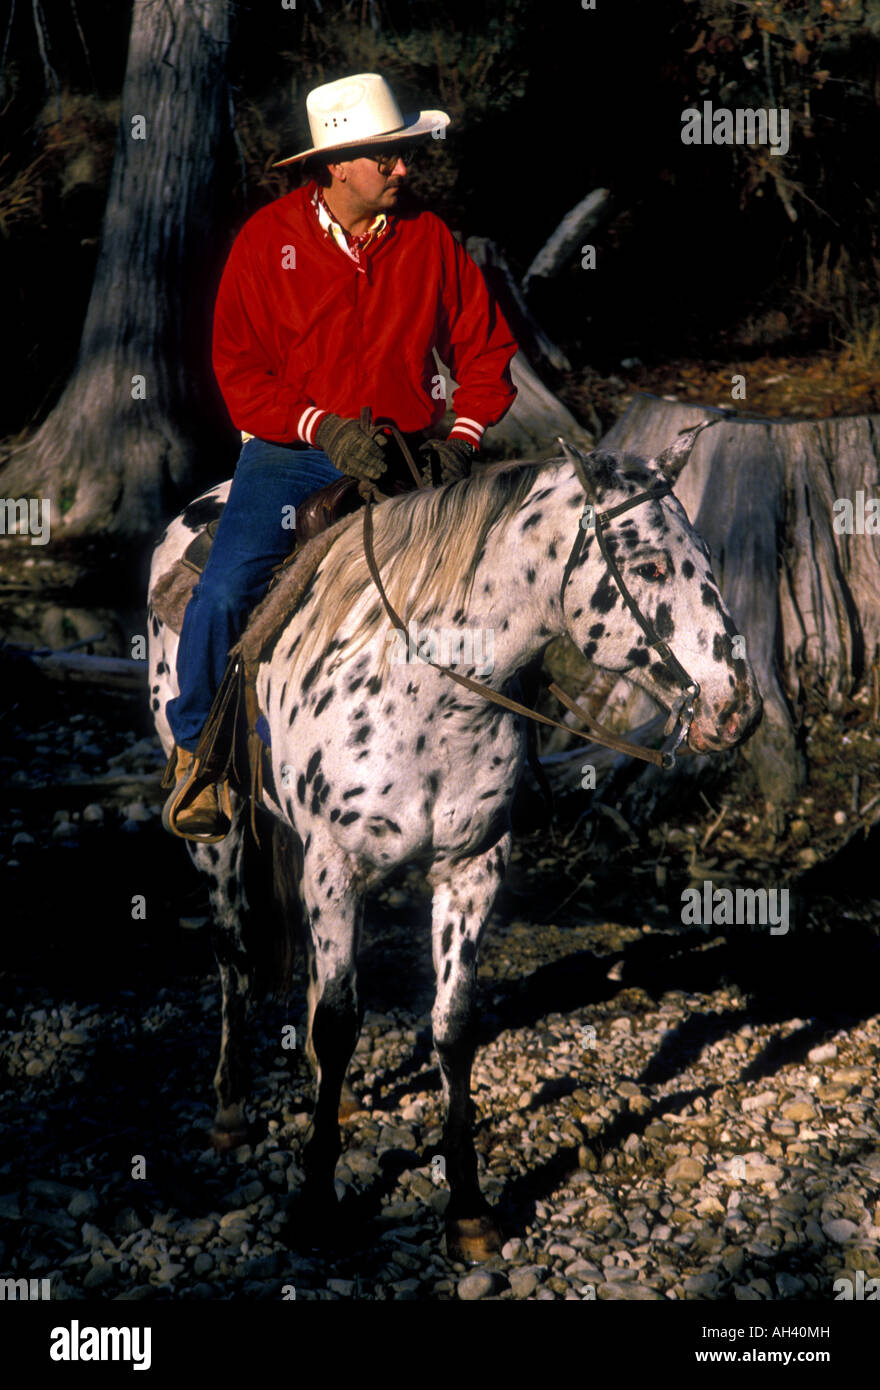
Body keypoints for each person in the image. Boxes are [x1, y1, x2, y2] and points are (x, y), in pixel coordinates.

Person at [163, 72, 518, 842]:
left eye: (403, 155)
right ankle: (199, 755)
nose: (403, 169)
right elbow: (238, 371)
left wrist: (460, 440)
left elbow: (487, 355)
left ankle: (507, 766)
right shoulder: (266, 243)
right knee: (224, 593)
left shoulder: (430, 241)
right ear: (336, 166)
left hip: (409, 458)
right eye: (387, 157)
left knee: (499, 589)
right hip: (291, 458)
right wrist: (320, 426)